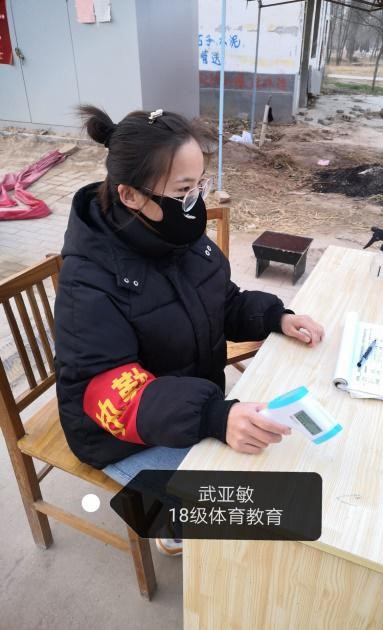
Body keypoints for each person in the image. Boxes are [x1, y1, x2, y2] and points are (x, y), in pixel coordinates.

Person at [54, 105, 324, 555]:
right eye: (183, 190)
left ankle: (174, 504)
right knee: (262, 515)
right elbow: (109, 391)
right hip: (122, 437)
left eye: (199, 185)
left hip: (189, 405)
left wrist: (275, 317)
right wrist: (211, 417)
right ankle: (163, 513)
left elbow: (221, 299)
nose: (195, 202)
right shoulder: (89, 281)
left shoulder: (172, 231)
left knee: (287, 471)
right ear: (130, 195)